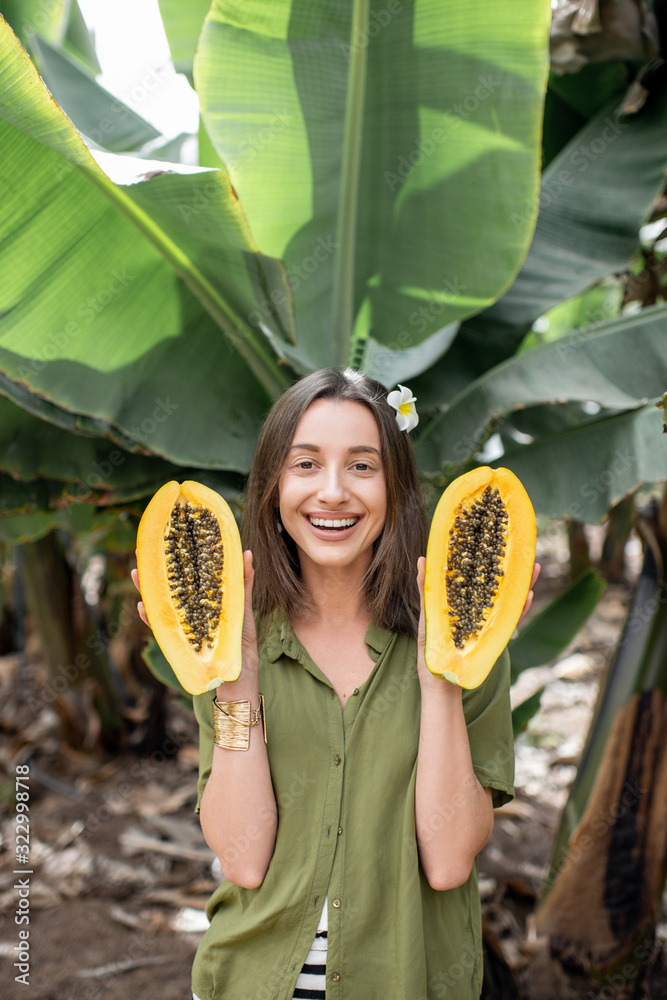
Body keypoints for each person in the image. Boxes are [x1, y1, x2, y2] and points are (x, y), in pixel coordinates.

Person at [132, 368, 539, 1000]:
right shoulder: (228, 636)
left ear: (395, 487)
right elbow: (241, 859)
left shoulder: (464, 639)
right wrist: (234, 684)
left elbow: (450, 859)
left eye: (362, 467)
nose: (331, 493)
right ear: (273, 486)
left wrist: (443, 680)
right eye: (305, 465)